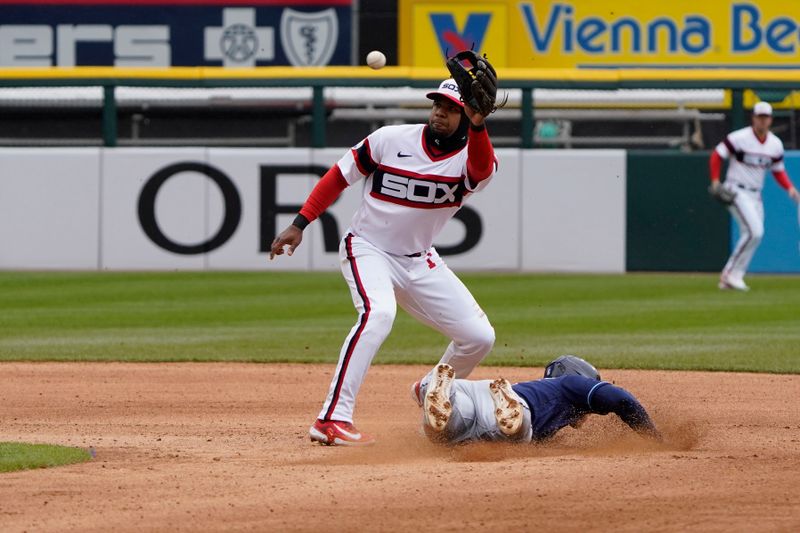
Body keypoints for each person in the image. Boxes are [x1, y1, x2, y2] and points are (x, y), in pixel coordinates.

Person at [270, 78, 499, 446]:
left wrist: (478, 125)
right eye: (438, 104)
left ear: (469, 114)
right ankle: (332, 419)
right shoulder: (390, 139)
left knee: (478, 337)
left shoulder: (474, 158)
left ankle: (430, 388)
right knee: (378, 314)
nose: (441, 112)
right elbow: (338, 177)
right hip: (367, 247)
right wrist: (300, 223)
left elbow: (481, 168)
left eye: (452, 108)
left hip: (419, 259)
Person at [420, 355, 661, 445]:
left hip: (478, 391)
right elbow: (621, 400)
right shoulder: (571, 385)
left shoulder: (540, 392)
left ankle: (441, 390)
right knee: (515, 435)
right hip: (517, 406)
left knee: (444, 433)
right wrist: (655, 440)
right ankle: (508, 414)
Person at [709, 101, 800, 291]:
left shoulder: (775, 144)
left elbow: (778, 170)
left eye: (766, 117)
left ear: (771, 120)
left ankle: (733, 277)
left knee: (754, 234)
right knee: (754, 231)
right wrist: (716, 180)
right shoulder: (739, 137)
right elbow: (717, 155)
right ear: (753, 118)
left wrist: (790, 188)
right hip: (736, 189)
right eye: (760, 117)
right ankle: (730, 273)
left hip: (755, 194)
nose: (763, 121)